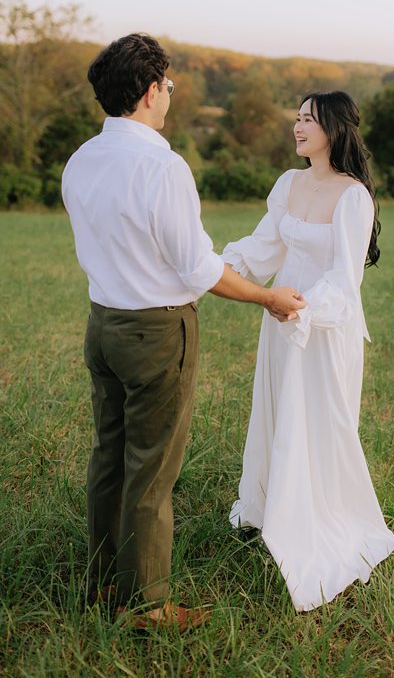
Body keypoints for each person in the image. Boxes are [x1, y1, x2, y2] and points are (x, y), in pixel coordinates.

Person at [61, 33, 304, 630]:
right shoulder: (161, 167)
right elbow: (198, 270)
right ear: (149, 92)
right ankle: (144, 604)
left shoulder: (81, 160)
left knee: (110, 457)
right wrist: (268, 295)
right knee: (152, 469)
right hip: (155, 334)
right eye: (167, 86)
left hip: (104, 326)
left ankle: (100, 584)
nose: (169, 95)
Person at [223, 90, 394, 612]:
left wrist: (300, 310)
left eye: (308, 119)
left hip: (321, 327)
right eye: (296, 117)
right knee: (277, 412)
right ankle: (272, 505)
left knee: (319, 421)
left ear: (335, 129)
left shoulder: (353, 197)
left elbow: (344, 283)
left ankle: (320, 520)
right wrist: (219, 267)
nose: (297, 127)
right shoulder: (288, 183)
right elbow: (263, 247)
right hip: (278, 319)